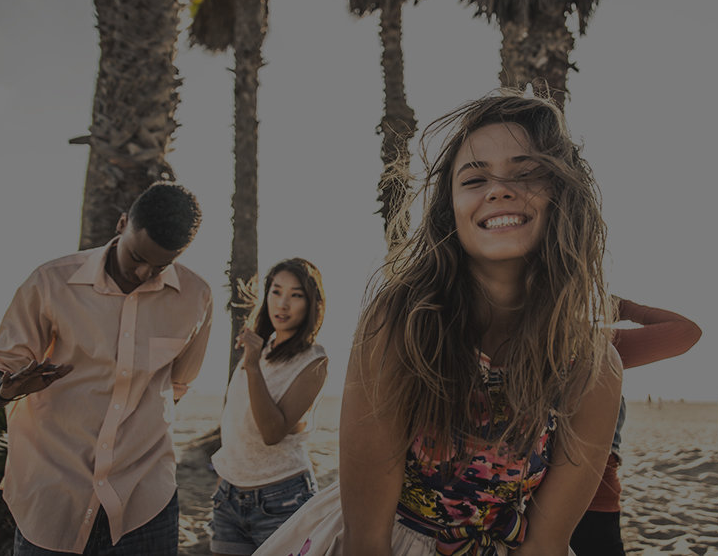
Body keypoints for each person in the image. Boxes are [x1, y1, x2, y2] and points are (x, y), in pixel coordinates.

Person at [253, 90, 623, 556]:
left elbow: (546, 545)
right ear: (451, 209)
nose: (498, 189)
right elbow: (367, 541)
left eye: (526, 172)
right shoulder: (400, 324)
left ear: (562, 194)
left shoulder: (593, 367)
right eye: (474, 178)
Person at [0, 182, 212, 556]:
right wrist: (7, 389)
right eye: (137, 257)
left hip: (145, 502)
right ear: (122, 223)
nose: (145, 272)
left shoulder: (197, 297)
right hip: (52, 497)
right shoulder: (51, 283)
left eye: (160, 265)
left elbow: (177, 384)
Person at [210, 258, 329, 555]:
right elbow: (236, 422)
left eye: (296, 295)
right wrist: (225, 480)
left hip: (282, 498)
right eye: (276, 292)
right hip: (229, 497)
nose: (283, 304)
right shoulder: (260, 349)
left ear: (311, 303)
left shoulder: (314, 361)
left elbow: (272, 431)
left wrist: (251, 365)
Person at [571, 296, 701, 556]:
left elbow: (687, 332)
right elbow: (685, 332)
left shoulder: (589, 342)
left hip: (564, 494)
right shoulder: (587, 342)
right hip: (590, 493)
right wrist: (624, 308)